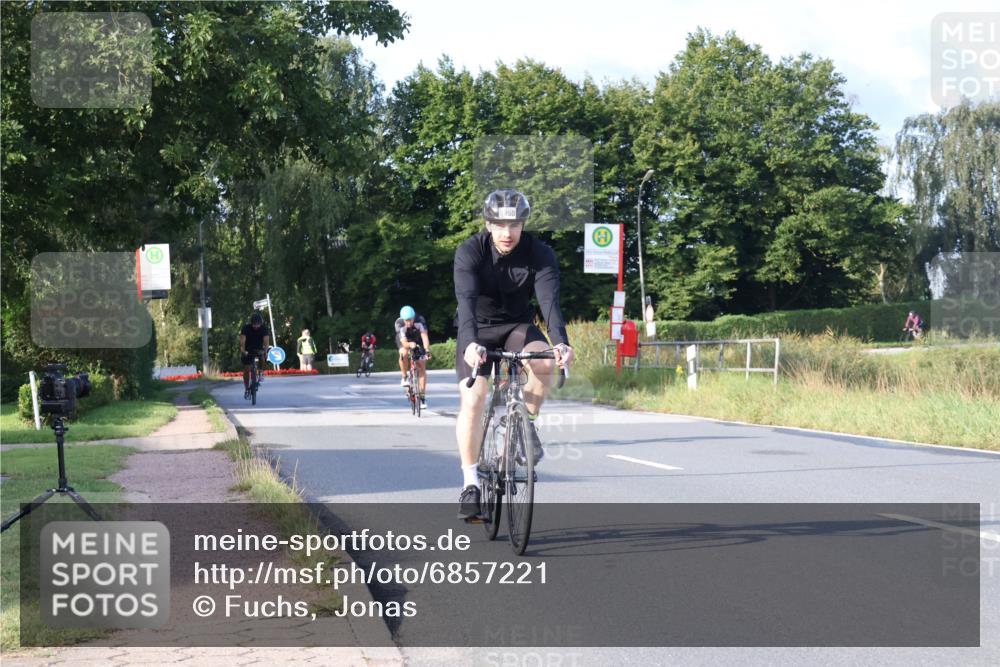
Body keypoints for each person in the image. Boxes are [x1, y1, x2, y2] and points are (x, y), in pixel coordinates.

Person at [453, 188, 574, 520]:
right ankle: (470, 484)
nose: (508, 233)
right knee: (474, 398)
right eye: (500, 225)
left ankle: (526, 425)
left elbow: (550, 304)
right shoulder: (470, 252)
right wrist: (470, 345)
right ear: (489, 224)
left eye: (515, 225)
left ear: (523, 224)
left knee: (545, 361)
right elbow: (464, 303)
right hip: (476, 329)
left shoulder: (540, 254)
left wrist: (561, 343)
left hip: (516, 328)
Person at [395, 306, 431, 408]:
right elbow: (404, 342)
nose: (408, 323)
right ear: (403, 319)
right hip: (405, 340)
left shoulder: (420, 320)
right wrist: (410, 345)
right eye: (406, 321)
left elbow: (424, 336)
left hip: (417, 338)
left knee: (421, 366)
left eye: (410, 320)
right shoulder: (399, 323)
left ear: (414, 317)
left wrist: (427, 351)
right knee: (404, 353)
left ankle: (423, 397)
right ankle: (404, 376)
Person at [239, 312, 271, 399]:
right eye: (254, 324)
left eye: (258, 324)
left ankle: (260, 372)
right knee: (246, 369)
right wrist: (243, 350)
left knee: (262, 357)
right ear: (251, 323)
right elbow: (242, 342)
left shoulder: (263, 329)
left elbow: (266, 342)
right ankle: (246, 389)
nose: (256, 326)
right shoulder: (246, 328)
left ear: (260, 323)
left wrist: (265, 351)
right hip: (248, 350)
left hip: (259, 349)